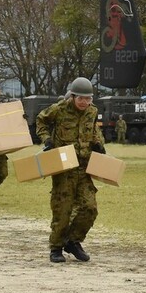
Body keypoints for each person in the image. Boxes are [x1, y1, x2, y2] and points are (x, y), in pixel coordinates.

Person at [36, 77, 106, 263]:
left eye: (88, 98)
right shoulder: (59, 109)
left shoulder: (92, 112)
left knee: (90, 208)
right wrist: (47, 140)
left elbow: (94, 130)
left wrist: (99, 143)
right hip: (64, 167)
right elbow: (41, 121)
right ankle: (56, 247)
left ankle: (73, 241)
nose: (84, 102)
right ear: (73, 97)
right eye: (81, 98)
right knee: (63, 209)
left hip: (84, 168)